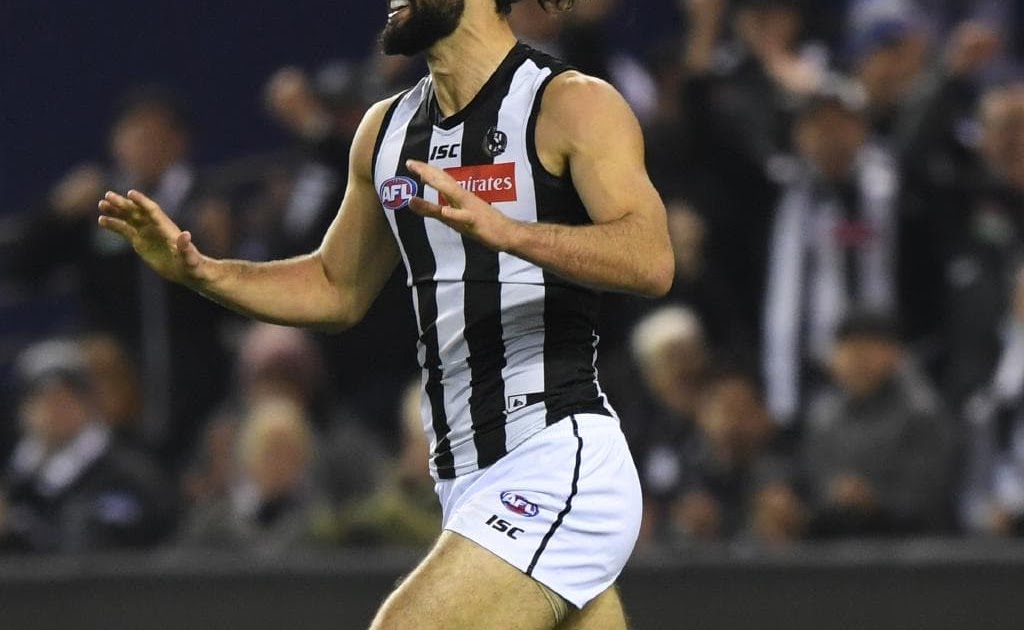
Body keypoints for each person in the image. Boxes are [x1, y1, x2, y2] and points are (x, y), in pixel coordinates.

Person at [96, 1, 673, 628]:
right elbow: (334, 287)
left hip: (557, 459)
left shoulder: (570, 103)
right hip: (464, 480)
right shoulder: (386, 130)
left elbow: (651, 258)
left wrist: (511, 233)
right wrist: (202, 271)